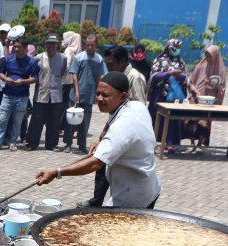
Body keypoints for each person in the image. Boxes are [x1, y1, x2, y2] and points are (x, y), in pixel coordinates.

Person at [36, 72, 161, 209]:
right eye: (98, 93)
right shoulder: (136, 106)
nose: (100, 99)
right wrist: (104, 144)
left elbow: (95, 164)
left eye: (106, 95)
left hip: (135, 196)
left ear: (123, 96)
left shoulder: (124, 124)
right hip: (147, 186)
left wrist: (56, 172)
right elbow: (128, 140)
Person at [81, 45, 149, 207]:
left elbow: (139, 107)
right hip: (116, 127)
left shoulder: (134, 77)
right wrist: (106, 132)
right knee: (103, 164)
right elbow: (114, 112)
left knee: (105, 161)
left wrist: (58, 172)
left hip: (128, 133)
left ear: (123, 61)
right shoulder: (111, 77)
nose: (109, 67)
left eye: (112, 64)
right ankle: (97, 199)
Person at [0, 37, 37, 152]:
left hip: (23, 96)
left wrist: (23, 81)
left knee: (17, 121)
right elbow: (1, 74)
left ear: (25, 48)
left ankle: (12, 142)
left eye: (19, 47)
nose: (16, 49)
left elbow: (35, 78)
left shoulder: (32, 62)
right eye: (15, 47)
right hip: (8, 95)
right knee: (2, 119)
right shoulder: (8, 59)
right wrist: (6, 79)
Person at [66, 34, 107, 153]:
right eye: (87, 45)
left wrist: (97, 93)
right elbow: (74, 75)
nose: (89, 47)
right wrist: (77, 91)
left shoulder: (99, 59)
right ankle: (68, 144)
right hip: (76, 94)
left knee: (85, 121)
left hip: (89, 95)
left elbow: (99, 77)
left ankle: (82, 145)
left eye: (92, 45)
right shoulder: (79, 57)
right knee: (71, 120)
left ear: (96, 46)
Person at [26, 33, 66, 152]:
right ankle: (32, 143)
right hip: (41, 94)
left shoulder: (63, 58)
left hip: (56, 95)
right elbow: (34, 74)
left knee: (54, 121)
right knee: (36, 120)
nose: (51, 47)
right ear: (45, 45)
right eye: (49, 44)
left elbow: (63, 73)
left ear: (57, 45)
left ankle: (51, 144)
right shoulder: (38, 58)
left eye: (54, 44)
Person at [148, 39, 186, 154]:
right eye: (175, 47)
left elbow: (184, 78)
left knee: (173, 119)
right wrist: (168, 74)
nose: (177, 50)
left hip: (174, 95)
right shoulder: (159, 60)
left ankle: (171, 143)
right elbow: (154, 77)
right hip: (159, 94)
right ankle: (153, 142)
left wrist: (177, 76)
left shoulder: (180, 62)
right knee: (157, 117)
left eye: (178, 48)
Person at [185, 44, 226, 148]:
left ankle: (200, 142)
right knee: (192, 121)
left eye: (210, 56)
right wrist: (195, 92)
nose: (208, 58)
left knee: (204, 123)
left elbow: (222, 87)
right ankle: (192, 141)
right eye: (206, 55)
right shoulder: (201, 65)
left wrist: (213, 85)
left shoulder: (220, 70)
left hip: (209, 102)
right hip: (196, 99)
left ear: (215, 56)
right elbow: (191, 82)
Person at [59, 31, 81, 139]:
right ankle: (70, 128)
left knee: (61, 106)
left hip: (64, 81)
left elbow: (66, 66)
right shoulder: (79, 51)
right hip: (73, 83)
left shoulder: (68, 50)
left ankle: (59, 127)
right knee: (69, 106)